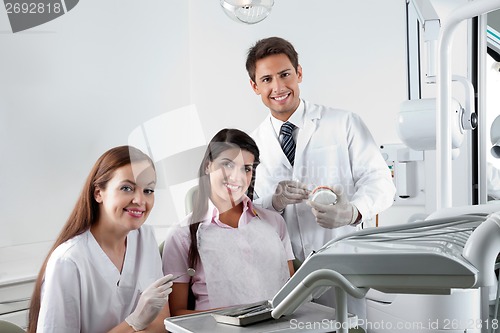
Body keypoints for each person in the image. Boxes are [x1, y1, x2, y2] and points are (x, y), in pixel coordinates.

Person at [246, 36, 396, 317]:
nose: (277, 87)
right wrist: (274, 202)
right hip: (282, 276)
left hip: (342, 268)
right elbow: (247, 211)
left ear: (299, 73)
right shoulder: (251, 145)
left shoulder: (343, 123)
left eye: (285, 74)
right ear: (255, 87)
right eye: (266, 79)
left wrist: (352, 211)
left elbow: (381, 182)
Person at [28, 146, 173, 333]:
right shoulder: (68, 260)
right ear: (98, 193)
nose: (140, 200)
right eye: (127, 188)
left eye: (148, 190)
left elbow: (161, 321)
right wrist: (134, 321)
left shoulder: (145, 238)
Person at [162, 128, 295, 316]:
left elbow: (292, 293)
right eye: (228, 165)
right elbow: (176, 314)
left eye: (246, 168)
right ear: (208, 166)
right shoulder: (182, 235)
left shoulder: (274, 223)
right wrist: (234, 318)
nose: (236, 177)